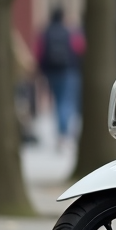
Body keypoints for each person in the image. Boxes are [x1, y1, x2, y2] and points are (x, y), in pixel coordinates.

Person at [37, 7, 85, 144]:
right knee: (67, 102)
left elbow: (39, 53)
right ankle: (63, 133)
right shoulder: (70, 32)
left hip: (51, 73)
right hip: (69, 71)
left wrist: (41, 70)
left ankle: (60, 133)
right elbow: (80, 49)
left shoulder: (45, 33)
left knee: (57, 102)